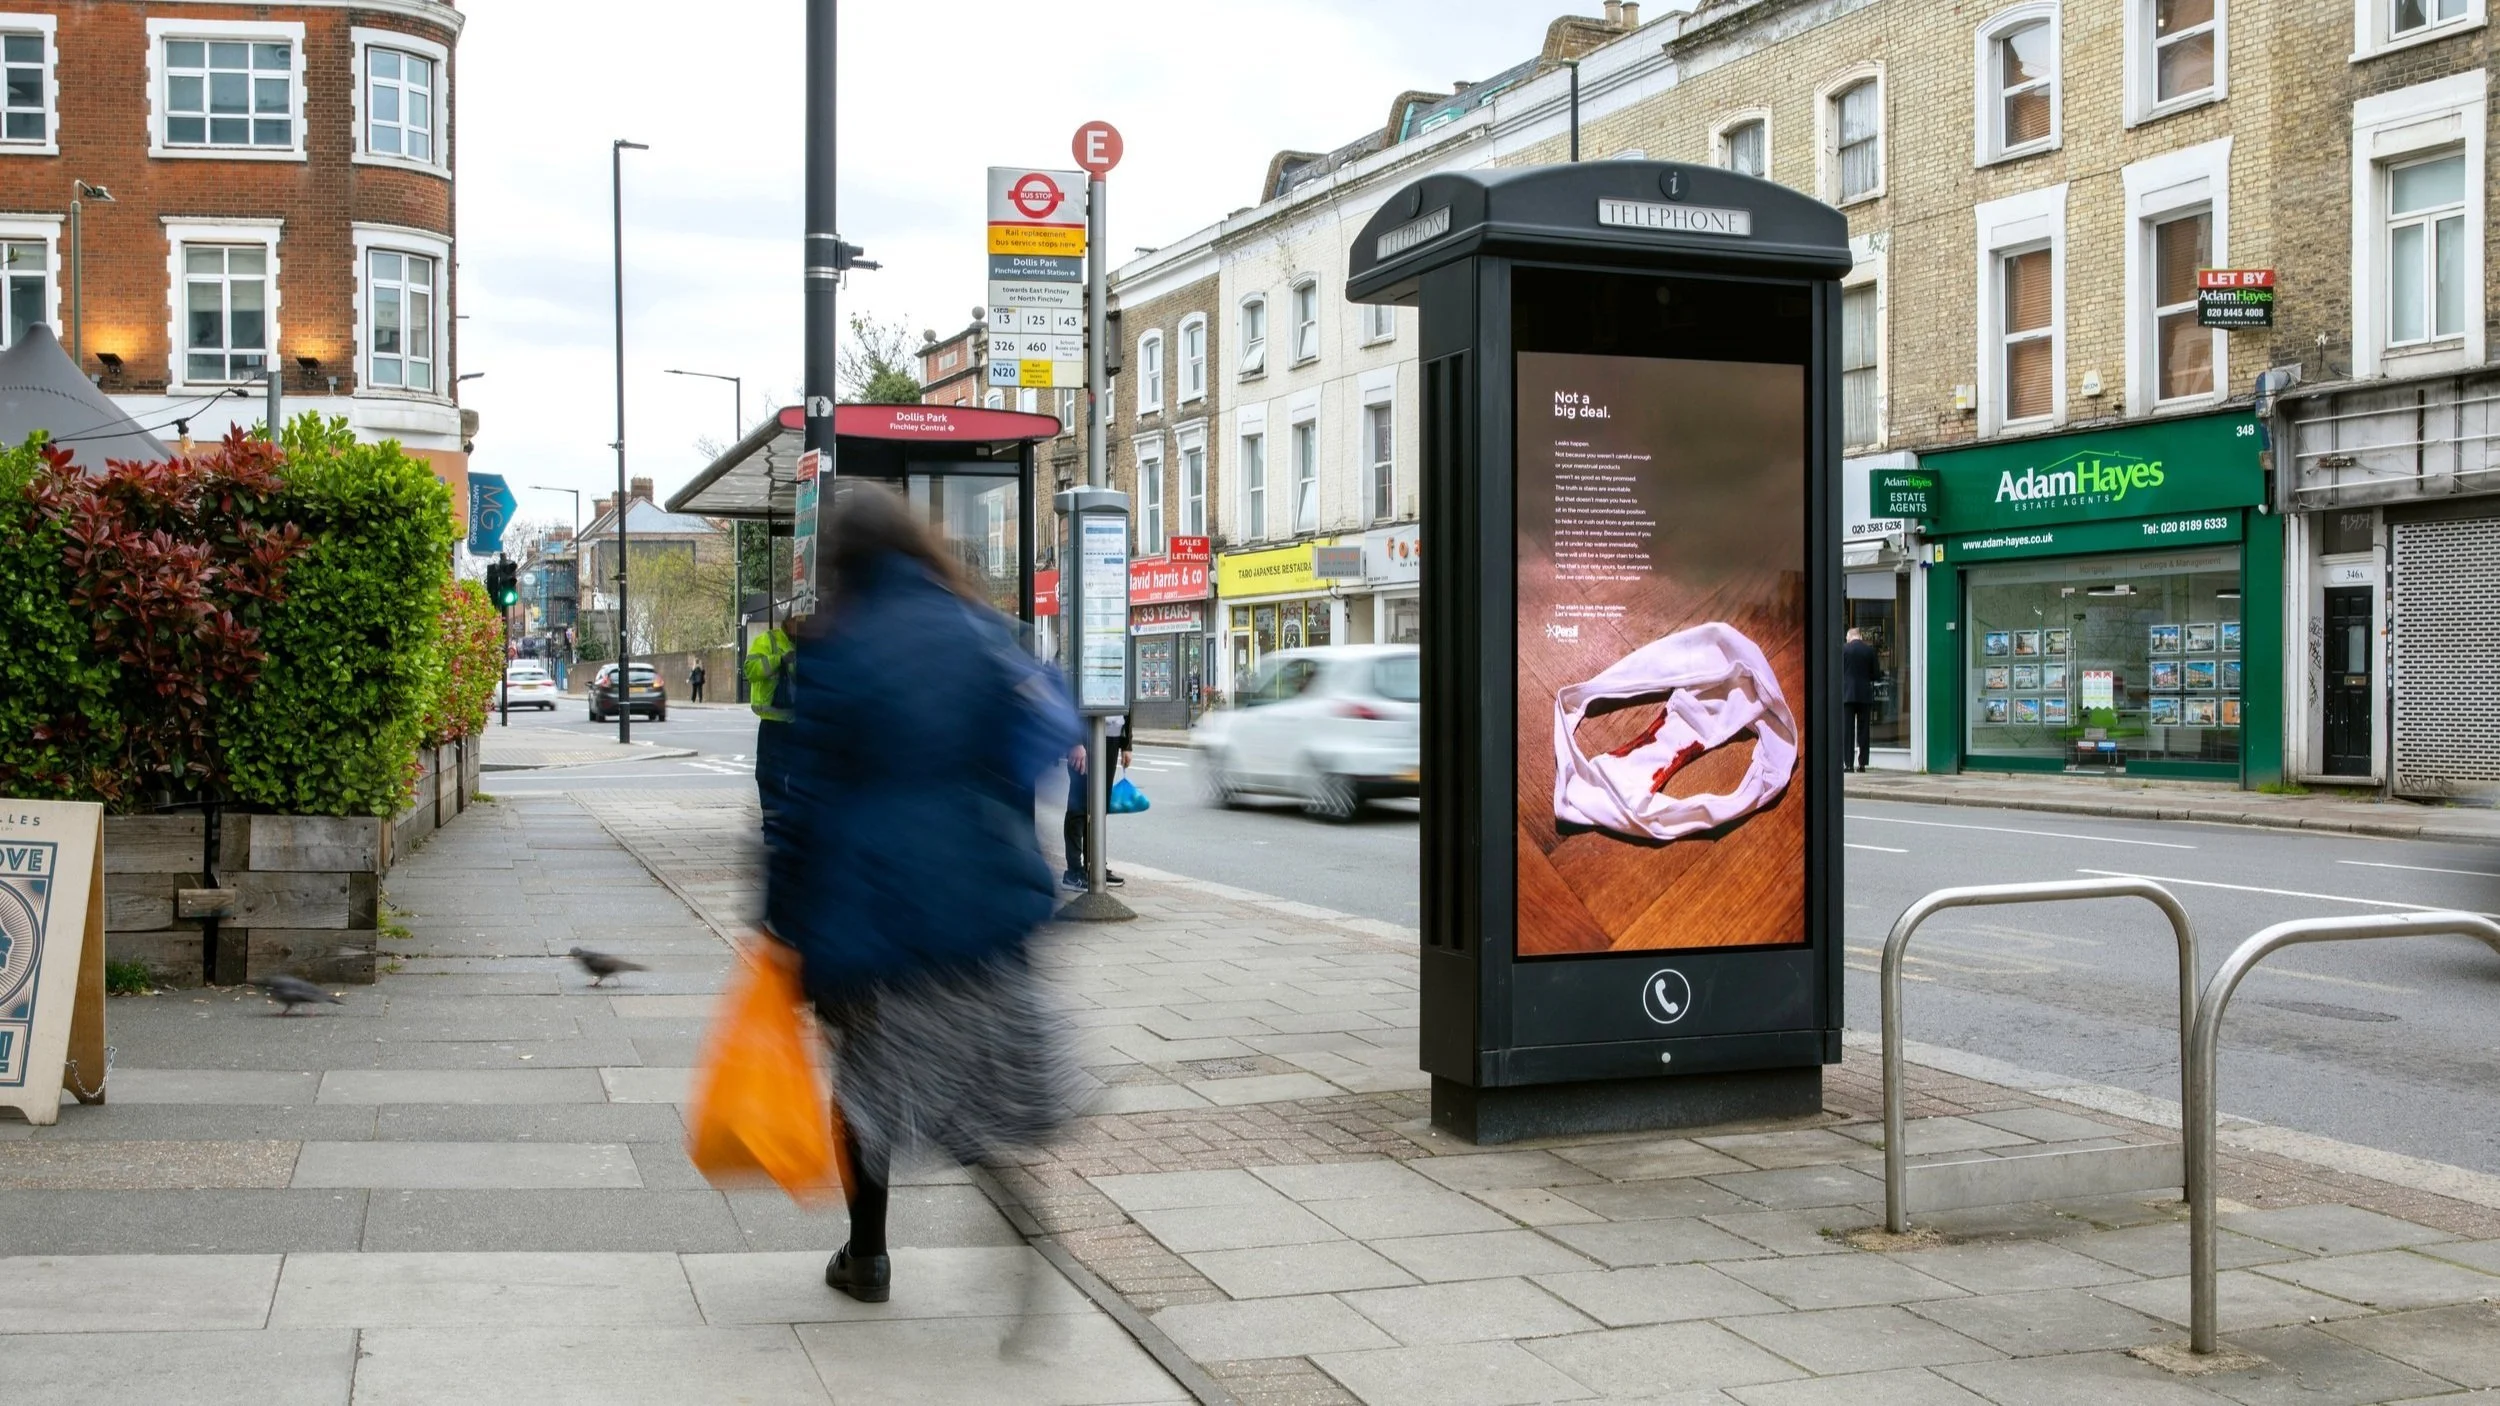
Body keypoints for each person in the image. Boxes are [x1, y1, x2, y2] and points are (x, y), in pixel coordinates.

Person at [763, 483, 1082, 1305]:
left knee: (866, 1083)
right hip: (979, 893)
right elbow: (1038, 739)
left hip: (872, 906)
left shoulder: (834, 647)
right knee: (976, 1074)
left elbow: (803, 804)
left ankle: (865, 1256)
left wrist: (783, 922)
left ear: (843, 563)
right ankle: (1020, 1222)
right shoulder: (982, 629)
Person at [1063, 711, 1130, 890]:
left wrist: (1126, 744)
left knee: (1100, 805)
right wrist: (1074, 741)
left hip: (1112, 737)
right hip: (1085, 737)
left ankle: (1095, 867)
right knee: (1079, 805)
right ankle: (1074, 870)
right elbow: (1070, 697)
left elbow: (1127, 699)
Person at [1841, 626, 1880, 773]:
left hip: (1847, 694)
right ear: (1860, 636)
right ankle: (1862, 764)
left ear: (1850, 636)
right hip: (1864, 694)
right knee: (1864, 730)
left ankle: (1848, 764)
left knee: (1848, 729)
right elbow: (1876, 674)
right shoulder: (1869, 651)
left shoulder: (1844, 650)